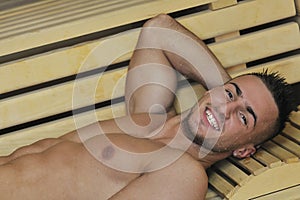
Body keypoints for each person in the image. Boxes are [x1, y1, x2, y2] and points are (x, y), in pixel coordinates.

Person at [0, 14, 296, 199]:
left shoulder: (184, 176)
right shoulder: (150, 118)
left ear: (244, 150)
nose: (226, 109)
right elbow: (158, 31)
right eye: (231, 95)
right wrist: (225, 98)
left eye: (244, 117)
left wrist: (226, 98)